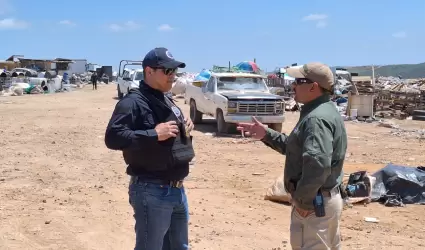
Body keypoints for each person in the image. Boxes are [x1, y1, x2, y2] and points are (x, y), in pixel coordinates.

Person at [237, 62, 347, 250]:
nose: (293, 85)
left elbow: (318, 163)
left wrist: (304, 201)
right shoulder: (322, 111)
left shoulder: (316, 119)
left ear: (313, 87)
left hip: (314, 204)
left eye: (298, 81)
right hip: (322, 200)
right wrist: (267, 134)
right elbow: (296, 149)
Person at [104, 47, 195, 250]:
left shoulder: (165, 99)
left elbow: (173, 126)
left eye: (175, 71)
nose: (173, 76)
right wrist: (154, 134)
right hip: (152, 189)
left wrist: (185, 122)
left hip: (177, 189)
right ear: (149, 71)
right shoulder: (132, 102)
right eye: (167, 71)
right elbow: (113, 137)